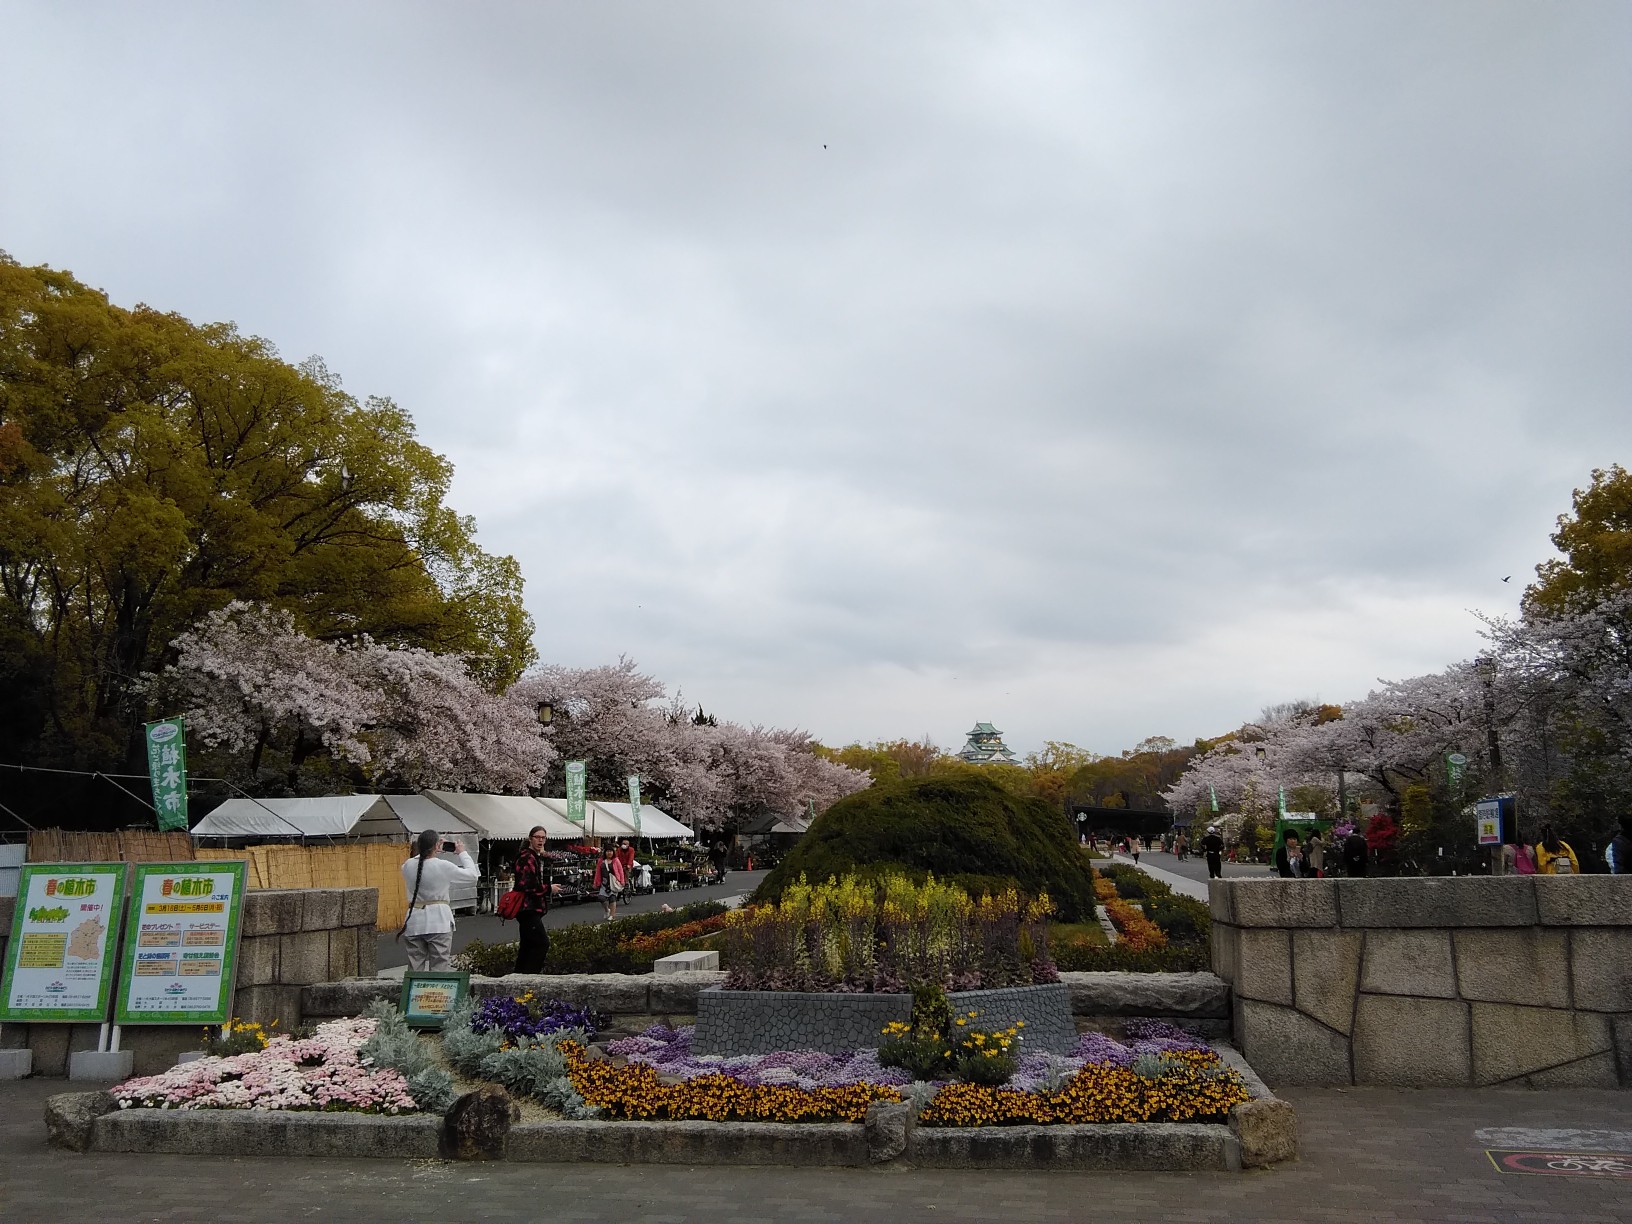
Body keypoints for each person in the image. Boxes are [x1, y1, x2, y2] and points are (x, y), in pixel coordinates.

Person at [398, 830, 478, 972]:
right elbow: (472, 875)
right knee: (439, 967)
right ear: (436, 846)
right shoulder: (443, 866)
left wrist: (432, 848)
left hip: (414, 920)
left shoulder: (407, 865)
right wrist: (462, 853)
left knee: (414, 967)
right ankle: (436, 994)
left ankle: (414, 993)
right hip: (439, 921)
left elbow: (419, 860)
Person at [512, 825, 552, 973]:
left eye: (543, 837)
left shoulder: (532, 857)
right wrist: (549, 888)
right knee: (541, 943)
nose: (541, 840)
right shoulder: (526, 858)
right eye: (538, 837)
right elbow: (527, 885)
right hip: (527, 907)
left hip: (530, 908)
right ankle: (529, 977)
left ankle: (519, 976)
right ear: (530, 839)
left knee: (527, 945)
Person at [593, 844, 627, 921]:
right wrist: (596, 882)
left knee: (612, 898)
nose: (609, 853)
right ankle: (606, 910)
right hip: (604, 883)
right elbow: (598, 872)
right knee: (601, 898)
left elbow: (620, 871)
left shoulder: (616, 860)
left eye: (611, 851)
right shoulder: (601, 861)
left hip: (613, 882)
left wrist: (622, 881)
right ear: (605, 852)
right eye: (608, 851)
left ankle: (612, 915)